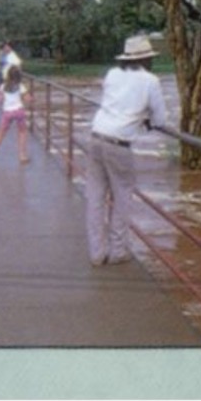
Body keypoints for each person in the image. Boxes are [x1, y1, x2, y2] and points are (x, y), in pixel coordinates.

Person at [85, 33, 169, 267]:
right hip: (119, 144)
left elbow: (113, 103)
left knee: (95, 198)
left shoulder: (112, 74)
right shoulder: (150, 80)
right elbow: (160, 119)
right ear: (146, 59)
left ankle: (97, 253)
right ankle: (118, 250)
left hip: (96, 136)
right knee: (121, 198)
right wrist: (146, 119)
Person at [0, 65, 32, 164]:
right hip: (19, 111)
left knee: (1, 133)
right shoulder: (21, 86)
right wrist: (29, 99)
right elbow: (28, 99)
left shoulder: (3, 86)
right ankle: (22, 155)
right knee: (22, 132)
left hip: (7, 113)